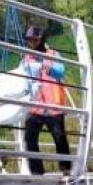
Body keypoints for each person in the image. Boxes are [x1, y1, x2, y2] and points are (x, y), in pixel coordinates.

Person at [21, 25, 71, 176]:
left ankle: (66, 168)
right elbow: (22, 77)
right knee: (30, 137)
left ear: (41, 39)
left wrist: (45, 65)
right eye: (29, 40)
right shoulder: (26, 58)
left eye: (35, 40)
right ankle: (36, 171)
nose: (32, 43)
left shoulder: (53, 54)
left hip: (53, 104)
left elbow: (61, 71)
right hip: (36, 105)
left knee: (59, 136)